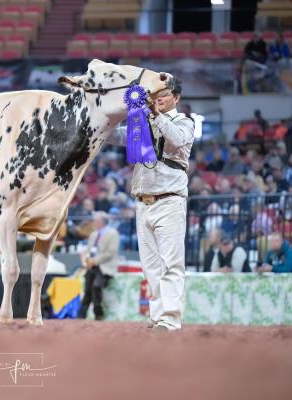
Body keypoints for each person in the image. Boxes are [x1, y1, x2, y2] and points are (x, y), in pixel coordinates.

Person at [109, 76, 195, 330]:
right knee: (151, 266)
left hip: (169, 200)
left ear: (176, 98)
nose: (159, 97)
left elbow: (177, 139)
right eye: (156, 93)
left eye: (165, 93)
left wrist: (155, 114)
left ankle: (171, 318)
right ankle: (158, 317)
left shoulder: (184, 122)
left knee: (171, 263)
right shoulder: (141, 123)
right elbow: (118, 137)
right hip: (143, 201)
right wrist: (101, 123)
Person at [79, 212, 120, 320]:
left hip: (105, 267)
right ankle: (81, 315)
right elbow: (89, 249)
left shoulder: (113, 233)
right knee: (87, 289)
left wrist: (94, 261)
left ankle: (98, 313)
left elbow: (111, 253)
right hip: (92, 266)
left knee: (96, 286)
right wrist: (86, 257)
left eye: (96, 220)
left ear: (102, 222)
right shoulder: (93, 235)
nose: (94, 222)